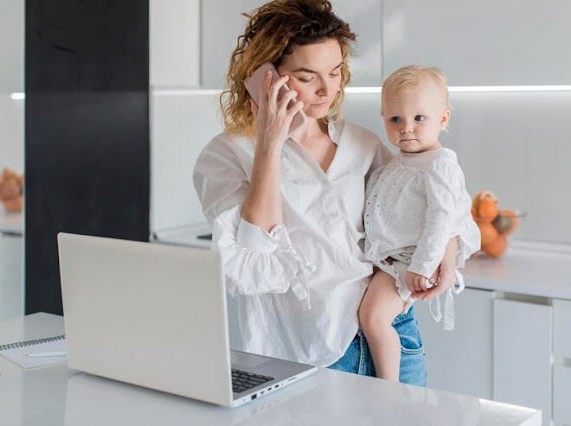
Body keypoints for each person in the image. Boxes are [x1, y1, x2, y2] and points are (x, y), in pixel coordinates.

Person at [193, 0, 476, 385]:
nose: (328, 89)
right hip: (303, 355)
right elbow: (248, 268)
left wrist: (449, 247)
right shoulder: (227, 155)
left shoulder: (362, 143)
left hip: (392, 333)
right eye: (308, 77)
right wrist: (269, 145)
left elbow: (430, 207)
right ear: (266, 76)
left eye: (335, 71)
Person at [357, 65, 481, 382]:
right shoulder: (398, 161)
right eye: (395, 119)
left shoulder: (441, 164)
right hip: (387, 259)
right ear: (383, 116)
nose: (406, 128)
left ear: (443, 119)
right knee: (371, 316)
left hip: (406, 263)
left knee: (373, 318)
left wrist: (423, 266)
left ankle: (388, 385)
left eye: (419, 118)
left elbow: (443, 218)